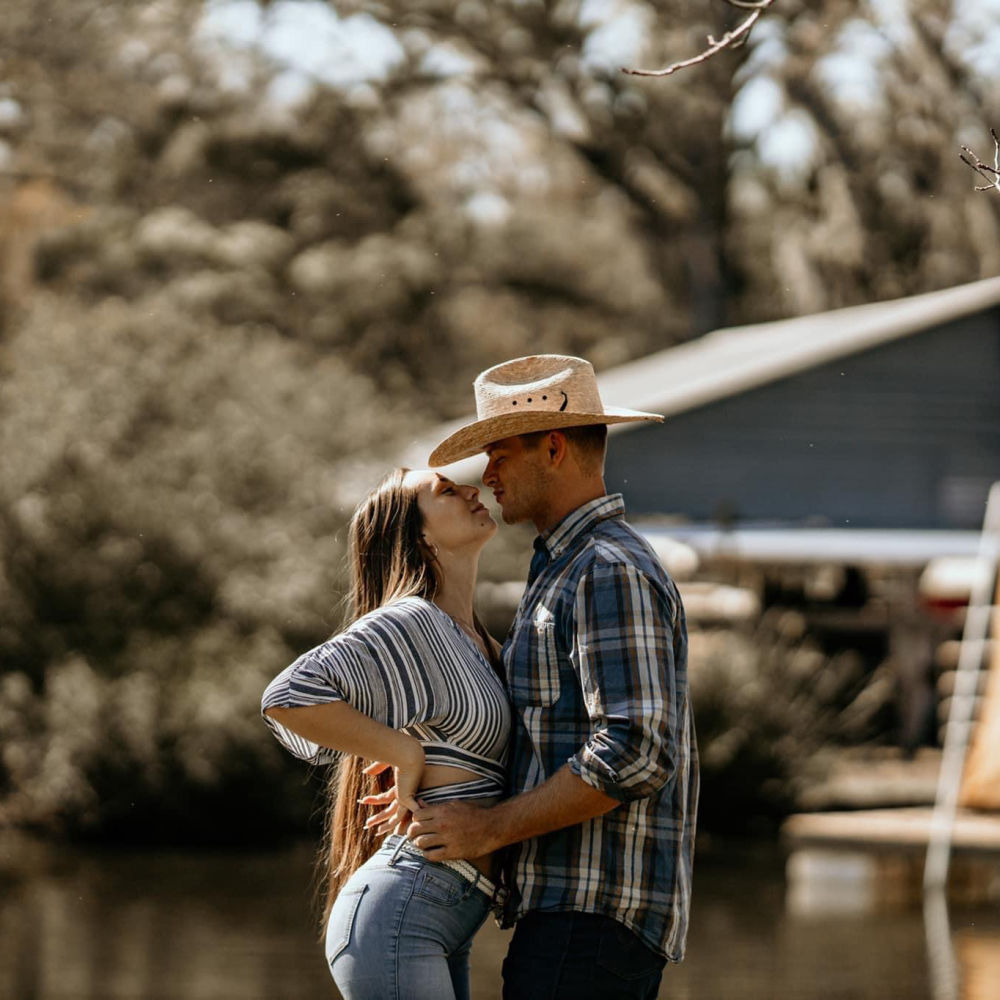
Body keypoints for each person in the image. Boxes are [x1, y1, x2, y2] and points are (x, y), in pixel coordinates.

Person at [386, 354, 699, 1000]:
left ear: (553, 447)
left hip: (590, 923)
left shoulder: (604, 567)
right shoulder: (565, 567)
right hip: (578, 923)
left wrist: (488, 827)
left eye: (500, 453)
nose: (488, 474)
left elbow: (636, 752)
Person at [260, 467, 511, 1000]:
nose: (473, 490)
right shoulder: (414, 620)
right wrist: (403, 749)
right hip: (404, 912)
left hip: (445, 915)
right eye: (445, 490)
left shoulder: (482, 641)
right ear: (419, 536)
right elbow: (287, 696)